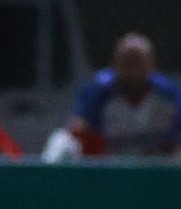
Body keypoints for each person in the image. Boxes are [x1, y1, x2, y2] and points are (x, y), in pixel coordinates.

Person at [44, 32, 181, 160]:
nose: (132, 71)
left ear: (152, 64)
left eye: (137, 63)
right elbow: (79, 129)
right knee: (61, 140)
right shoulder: (98, 91)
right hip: (108, 169)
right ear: (115, 64)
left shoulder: (168, 94)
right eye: (127, 63)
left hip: (157, 169)